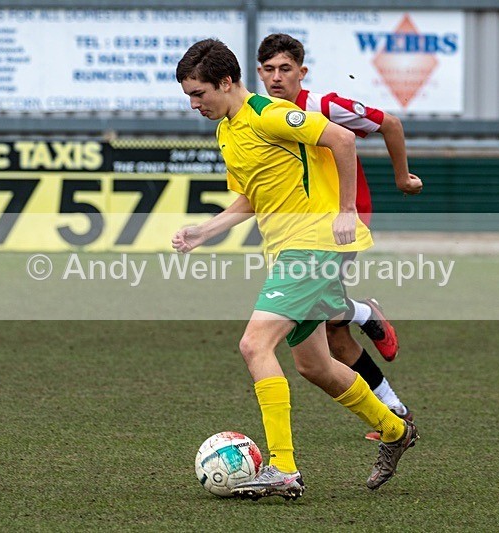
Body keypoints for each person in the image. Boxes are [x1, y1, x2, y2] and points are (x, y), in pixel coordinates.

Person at [173, 39, 418, 500]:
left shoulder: (267, 113)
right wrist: (207, 231)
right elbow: (252, 195)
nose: (194, 103)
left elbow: (341, 138)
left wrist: (347, 209)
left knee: (254, 344)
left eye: (199, 93)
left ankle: (283, 468)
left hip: (312, 246)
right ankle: (394, 429)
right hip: (288, 251)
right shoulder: (227, 130)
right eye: (189, 95)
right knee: (315, 365)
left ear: (226, 82)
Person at [257, 33, 423, 440]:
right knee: (331, 336)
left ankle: (364, 315)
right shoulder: (259, 117)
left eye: (285, 69)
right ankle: (394, 407)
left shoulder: (323, 106)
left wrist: (402, 177)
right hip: (303, 229)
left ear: (302, 71)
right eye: (268, 70)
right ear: (259, 73)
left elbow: (391, 123)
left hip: (339, 224)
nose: (276, 78)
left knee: (319, 330)